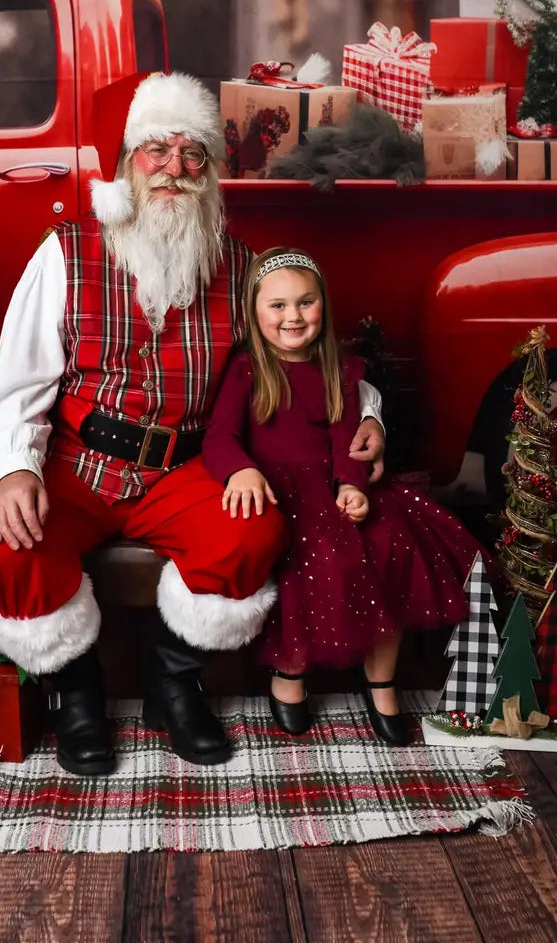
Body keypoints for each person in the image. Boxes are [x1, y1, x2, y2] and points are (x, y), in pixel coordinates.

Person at [0, 73, 387, 775]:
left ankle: (172, 681)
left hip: (186, 466)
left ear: (210, 172)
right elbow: (18, 383)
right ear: (127, 162)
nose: (175, 170)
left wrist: (368, 413)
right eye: (156, 149)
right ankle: (75, 691)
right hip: (77, 462)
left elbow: (306, 352)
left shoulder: (241, 265)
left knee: (254, 531)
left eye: (193, 154)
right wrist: (11, 469)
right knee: (10, 548)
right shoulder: (65, 254)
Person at [203, 246, 479, 746]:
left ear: (323, 306)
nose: (293, 316)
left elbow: (345, 435)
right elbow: (220, 436)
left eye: (305, 303)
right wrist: (240, 471)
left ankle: (382, 680)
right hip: (278, 488)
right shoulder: (246, 371)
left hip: (333, 483)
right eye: (278, 305)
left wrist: (351, 484)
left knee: (392, 543)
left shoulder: (342, 370)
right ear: (254, 311)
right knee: (315, 555)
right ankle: (290, 673)